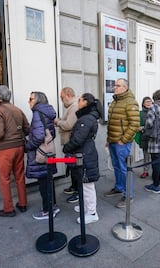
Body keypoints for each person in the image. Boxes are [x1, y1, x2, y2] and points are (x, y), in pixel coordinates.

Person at [63, 93, 103, 224]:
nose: (78, 101)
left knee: (87, 186)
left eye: (79, 100)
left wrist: (66, 148)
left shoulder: (86, 119)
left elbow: (77, 140)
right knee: (84, 184)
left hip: (85, 154)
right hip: (85, 153)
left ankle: (92, 213)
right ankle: (85, 207)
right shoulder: (88, 117)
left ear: (85, 102)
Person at [0, 86, 30, 217]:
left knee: (4, 178)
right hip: (19, 146)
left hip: (5, 149)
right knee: (19, 176)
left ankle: (8, 209)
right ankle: (23, 203)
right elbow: (27, 128)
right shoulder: (18, 110)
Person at [105, 78, 140, 208]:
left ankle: (128, 195)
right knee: (116, 166)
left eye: (118, 85)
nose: (115, 87)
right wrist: (108, 139)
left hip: (122, 143)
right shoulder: (115, 101)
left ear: (125, 87)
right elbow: (111, 124)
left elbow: (135, 124)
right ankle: (119, 188)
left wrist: (123, 140)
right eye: (115, 85)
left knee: (124, 169)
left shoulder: (130, 102)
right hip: (113, 141)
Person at [25, 92, 60, 220]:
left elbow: (39, 136)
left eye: (31, 99)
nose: (28, 101)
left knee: (43, 183)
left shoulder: (37, 113)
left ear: (38, 100)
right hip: (48, 152)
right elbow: (51, 134)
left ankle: (47, 210)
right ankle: (53, 206)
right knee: (48, 181)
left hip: (40, 154)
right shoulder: (48, 112)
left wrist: (28, 146)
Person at [54, 87, 79, 204]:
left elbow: (69, 125)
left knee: (75, 168)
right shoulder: (71, 106)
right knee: (72, 166)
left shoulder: (74, 107)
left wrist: (58, 122)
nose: (61, 99)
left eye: (62, 97)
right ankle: (74, 187)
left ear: (68, 95)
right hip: (70, 142)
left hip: (71, 142)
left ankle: (78, 191)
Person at [134, 97, 153, 178]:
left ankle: (155, 171)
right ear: (143, 103)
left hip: (154, 137)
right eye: (147, 102)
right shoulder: (140, 113)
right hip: (145, 137)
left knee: (155, 156)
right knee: (146, 155)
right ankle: (145, 171)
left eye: (150, 101)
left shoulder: (155, 112)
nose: (149, 103)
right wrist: (141, 128)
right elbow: (136, 125)